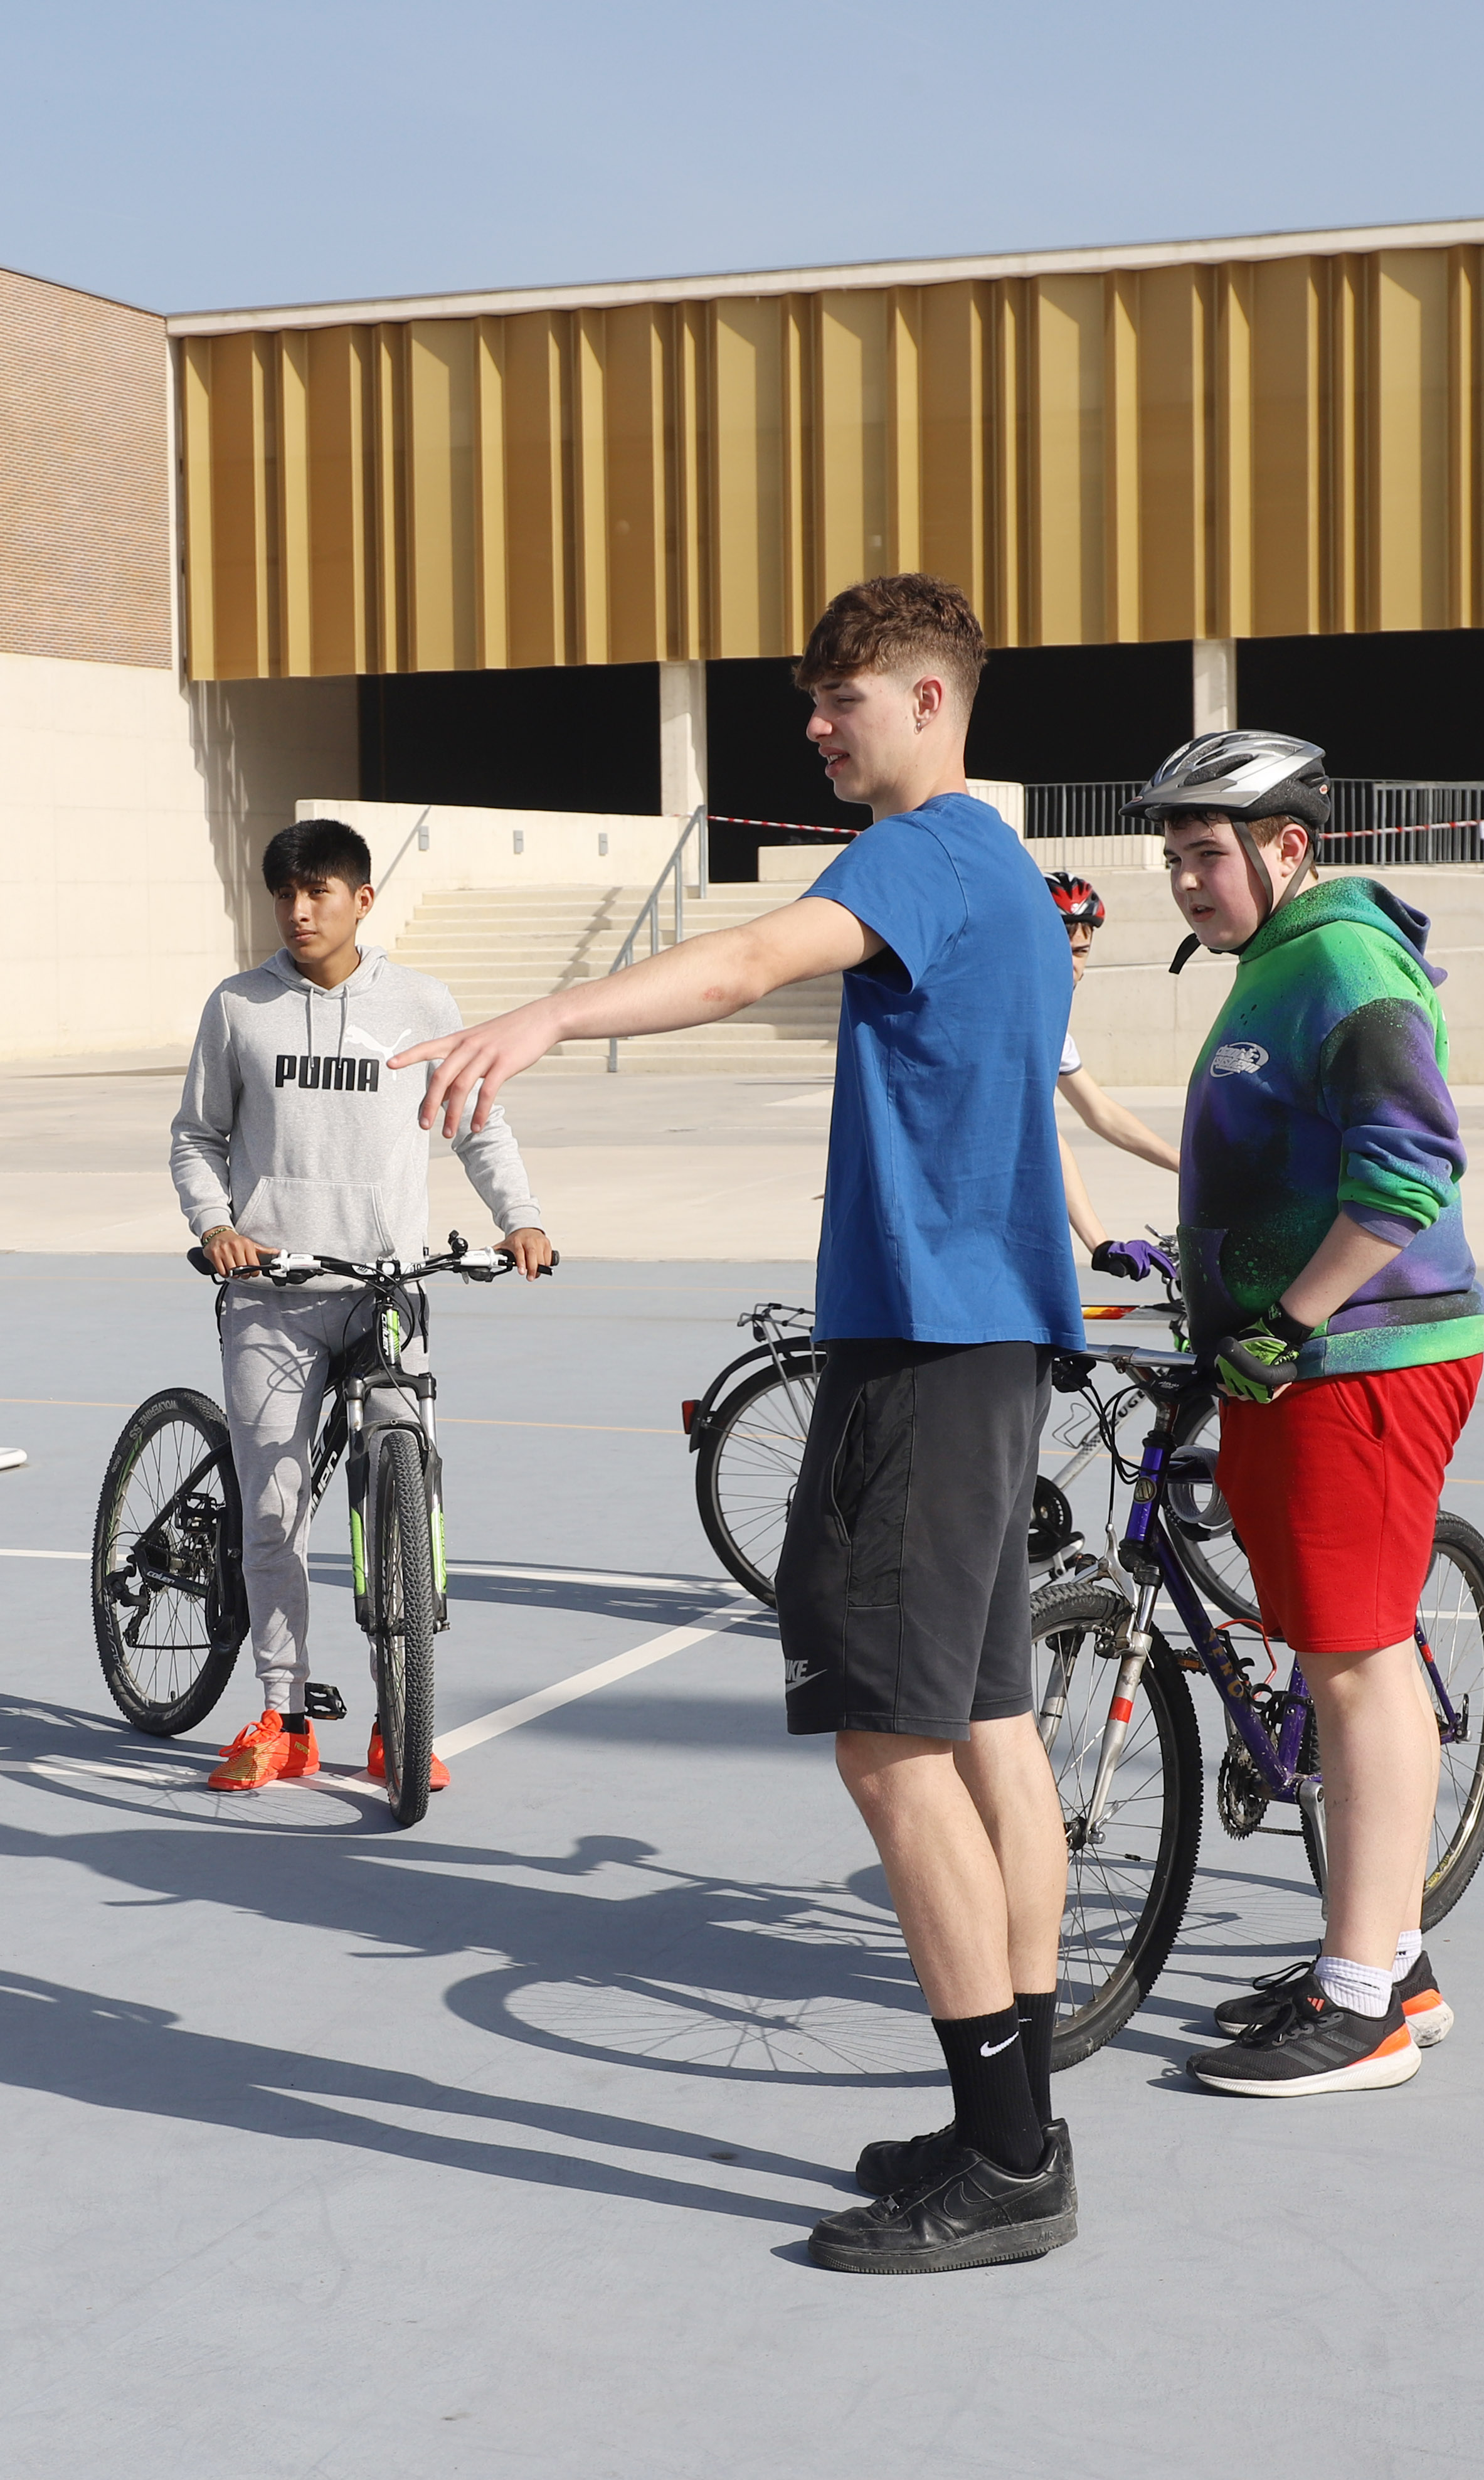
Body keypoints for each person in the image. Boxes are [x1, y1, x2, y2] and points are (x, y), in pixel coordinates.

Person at [396, 573, 1086, 2274]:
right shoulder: (1003, 864)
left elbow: (751, 962)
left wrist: (553, 1009)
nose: (814, 725)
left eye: (838, 697)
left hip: (920, 1351)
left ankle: (1005, 2167)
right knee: (990, 1728)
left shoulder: (923, 853)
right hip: (986, 1349)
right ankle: (1009, 2114)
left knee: (887, 1746)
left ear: (927, 699)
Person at [1128, 730, 1484, 2097]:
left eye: (1207, 853)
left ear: (1289, 847)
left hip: (1360, 1360)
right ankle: (1390, 1957)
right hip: (1294, 1360)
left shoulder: (1341, 957)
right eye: (1171, 858)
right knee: (1340, 1653)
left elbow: (1407, 1168)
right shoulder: (1279, 961)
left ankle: (1366, 2007)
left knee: (1352, 1661)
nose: (1185, 881)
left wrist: (1295, 1313)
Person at [168, 816, 553, 1795]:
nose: (299, 911)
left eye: (321, 893)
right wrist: (218, 1225)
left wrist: (521, 1219)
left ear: (362, 900)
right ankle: (282, 1712)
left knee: (407, 1493)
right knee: (274, 1504)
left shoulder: (421, 1002)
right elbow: (196, 1138)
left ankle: (399, 1719)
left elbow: (479, 1125)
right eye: (285, 895)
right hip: (273, 1295)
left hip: (388, 1292)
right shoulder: (239, 1006)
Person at [1047, 871, 1185, 1284]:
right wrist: (1097, 1241)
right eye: (1059, 951)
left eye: (1081, 952)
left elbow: (1100, 1113)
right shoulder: (1000, 1019)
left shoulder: (1048, 1027)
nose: (1071, 967)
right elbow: (1038, 1132)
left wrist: (1187, 1167)